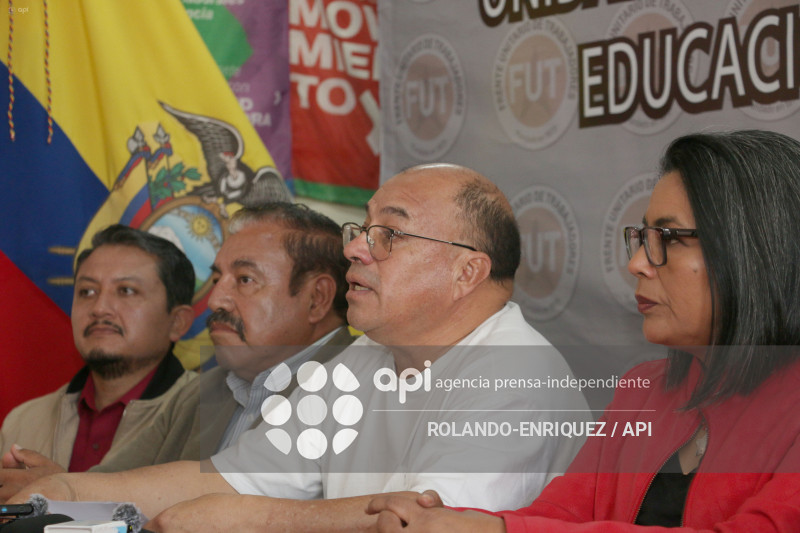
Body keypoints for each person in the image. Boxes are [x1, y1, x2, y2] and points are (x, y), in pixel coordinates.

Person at [8, 163, 589, 531]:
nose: (357, 249)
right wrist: (70, 490)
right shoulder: (365, 359)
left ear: (467, 272)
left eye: (389, 234)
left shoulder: (522, 374)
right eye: (360, 230)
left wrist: (258, 520)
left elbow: (424, 521)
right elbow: (228, 481)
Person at [367, 130, 800, 532]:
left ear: (755, 247)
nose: (637, 264)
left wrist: (493, 530)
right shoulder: (643, 391)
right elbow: (558, 514)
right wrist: (446, 522)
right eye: (642, 238)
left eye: (666, 239)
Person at [90, 203, 355, 471]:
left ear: (317, 298)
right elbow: (107, 487)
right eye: (217, 279)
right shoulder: (199, 392)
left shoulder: (366, 391)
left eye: (244, 279)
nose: (215, 301)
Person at [0, 225, 196, 500]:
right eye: (87, 292)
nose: (100, 308)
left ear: (178, 322)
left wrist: (65, 494)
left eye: (126, 291)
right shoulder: (23, 421)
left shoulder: (207, 415)